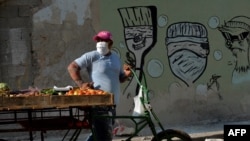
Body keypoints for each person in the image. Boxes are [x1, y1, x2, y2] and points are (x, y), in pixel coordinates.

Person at [67, 30, 132, 141]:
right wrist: (81, 84)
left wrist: (126, 74)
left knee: (100, 135)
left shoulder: (115, 57)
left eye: (104, 40)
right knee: (103, 136)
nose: (101, 42)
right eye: (99, 40)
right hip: (99, 104)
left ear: (110, 43)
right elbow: (72, 67)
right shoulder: (92, 56)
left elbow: (120, 78)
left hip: (112, 104)